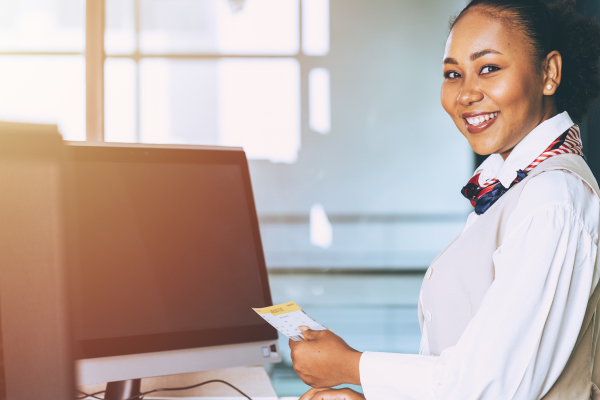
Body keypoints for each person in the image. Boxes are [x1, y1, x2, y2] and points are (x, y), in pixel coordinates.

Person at [289, 0, 600, 399]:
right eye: (453, 74)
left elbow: (492, 387)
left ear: (548, 73)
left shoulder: (553, 197)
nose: (466, 93)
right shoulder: (514, 187)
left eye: (489, 68)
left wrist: (352, 365)